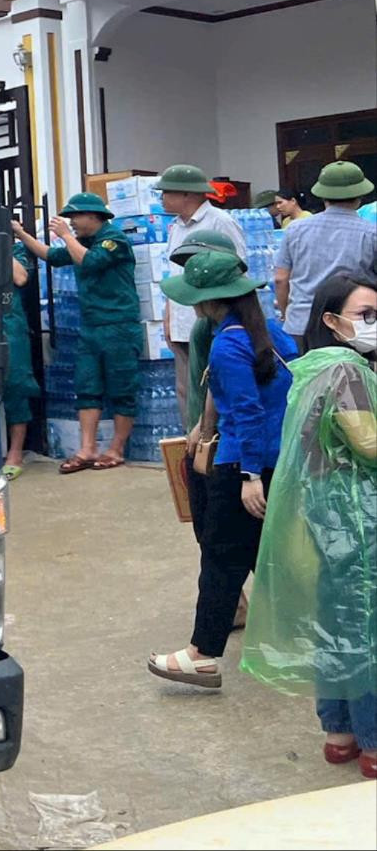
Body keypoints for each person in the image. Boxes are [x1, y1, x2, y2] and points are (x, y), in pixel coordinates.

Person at [241, 272, 377, 779]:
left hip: (325, 517)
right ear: (332, 320)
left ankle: (340, 734)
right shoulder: (348, 371)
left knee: (336, 623)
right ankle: (373, 740)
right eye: (366, 315)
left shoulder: (315, 366)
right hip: (358, 521)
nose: (374, 323)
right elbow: (369, 444)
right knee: (366, 629)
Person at [148, 253, 296, 688]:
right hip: (279, 457)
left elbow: (247, 412)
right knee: (265, 554)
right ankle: (297, 635)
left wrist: (249, 477)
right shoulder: (271, 333)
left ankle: (202, 654)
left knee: (220, 556)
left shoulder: (227, 345)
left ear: (208, 301)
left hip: (242, 463)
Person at [11, 193, 138, 473]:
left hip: (118, 326)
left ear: (93, 216)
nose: (72, 223)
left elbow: (90, 262)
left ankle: (116, 450)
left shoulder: (114, 240)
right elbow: (51, 256)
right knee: (87, 387)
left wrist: (66, 236)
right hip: (90, 326)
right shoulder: (82, 242)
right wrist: (20, 234)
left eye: (75, 217)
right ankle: (87, 448)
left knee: (122, 388)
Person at [167, 230, 251, 630]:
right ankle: (236, 603)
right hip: (206, 437)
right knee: (212, 529)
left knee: (228, 533)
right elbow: (200, 387)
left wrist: (205, 428)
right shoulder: (206, 328)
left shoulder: (235, 332)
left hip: (228, 442)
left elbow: (225, 392)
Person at [156, 165, 246, 414]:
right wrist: (168, 318)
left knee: (212, 388)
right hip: (181, 320)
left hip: (211, 318)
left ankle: (211, 436)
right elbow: (175, 273)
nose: (162, 198)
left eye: (167, 192)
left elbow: (237, 269)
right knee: (186, 389)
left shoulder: (220, 222)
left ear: (187, 194)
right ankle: (192, 437)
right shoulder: (176, 226)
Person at [274, 161, 377, 342]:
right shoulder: (371, 233)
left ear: (322, 196)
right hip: (351, 328)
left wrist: (286, 313)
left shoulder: (295, 229)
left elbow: (281, 279)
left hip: (302, 323)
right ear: (360, 196)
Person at [0, 240, 41, 480]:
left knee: (15, 385)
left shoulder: (15, 250)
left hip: (9, 324)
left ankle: (15, 452)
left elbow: (21, 278)